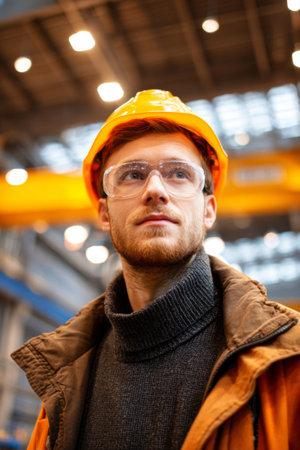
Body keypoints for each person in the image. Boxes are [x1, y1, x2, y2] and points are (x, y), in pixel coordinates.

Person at [12, 90, 300, 450]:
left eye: (179, 173)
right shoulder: (62, 380)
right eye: (131, 175)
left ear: (208, 209)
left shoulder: (287, 362)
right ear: (103, 213)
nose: (155, 190)